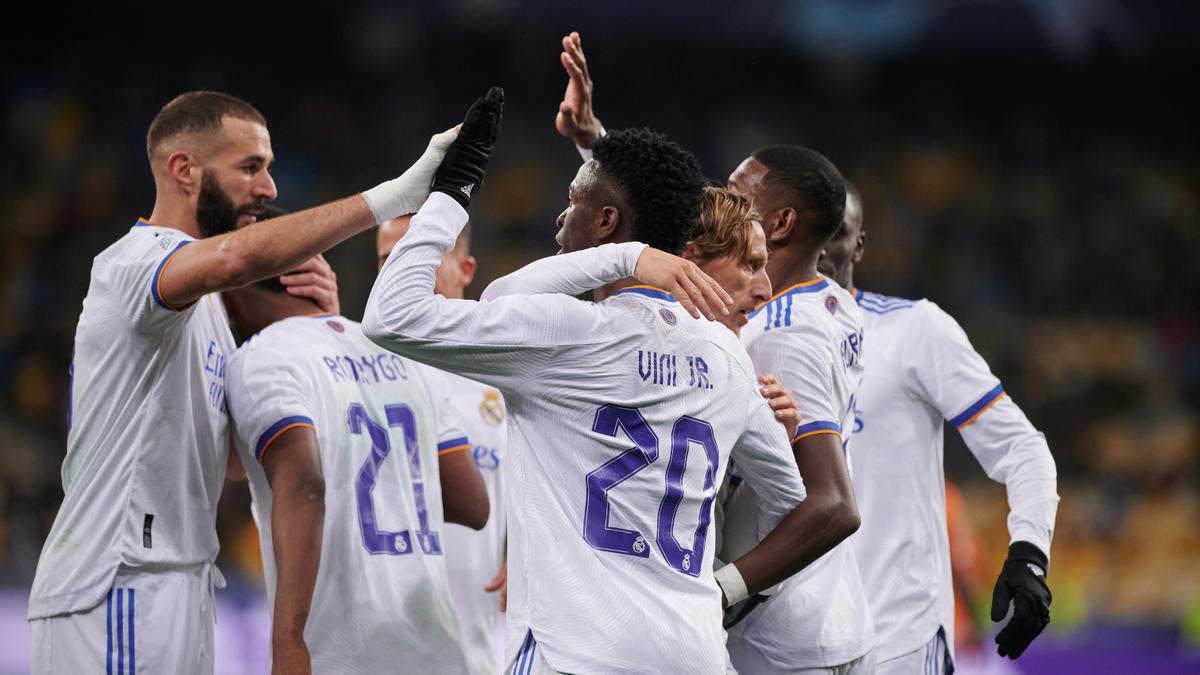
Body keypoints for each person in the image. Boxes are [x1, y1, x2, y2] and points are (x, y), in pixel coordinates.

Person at [365, 88, 856, 674]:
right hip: (695, 653)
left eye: (573, 202)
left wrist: (453, 190)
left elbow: (391, 315)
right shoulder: (728, 357)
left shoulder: (565, 336)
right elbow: (788, 501)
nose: (559, 216)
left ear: (604, 223)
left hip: (578, 653)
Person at [27, 89, 464, 674]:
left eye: (269, 167)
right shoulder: (132, 264)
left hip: (180, 579)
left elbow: (236, 463)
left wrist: (321, 329)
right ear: (184, 170)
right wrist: (394, 197)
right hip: (120, 579)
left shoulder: (207, 311)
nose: (270, 188)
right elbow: (235, 260)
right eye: (250, 167)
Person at [556, 32, 875, 673]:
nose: (715, 197)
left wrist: (720, 591)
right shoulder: (817, 310)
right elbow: (672, 229)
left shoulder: (779, 333)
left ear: (778, 224)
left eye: (737, 187)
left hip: (783, 634)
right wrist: (598, 147)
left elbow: (832, 504)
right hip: (791, 624)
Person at [818, 181, 1059, 672]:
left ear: (859, 245)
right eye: (800, 230)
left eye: (835, 232)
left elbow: (1022, 448)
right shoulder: (735, 338)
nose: (816, 248)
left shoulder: (913, 331)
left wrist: (1030, 551)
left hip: (897, 646)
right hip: (778, 646)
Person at [221, 241, 488, 674]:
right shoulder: (402, 353)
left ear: (230, 294)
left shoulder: (263, 357)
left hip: (343, 655)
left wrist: (288, 637)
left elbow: (302, 485)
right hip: (438, 650)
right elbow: (472, 504)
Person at [377, 215, 510, 675]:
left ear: (466, 270)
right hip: (376, 637)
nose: (401, 272)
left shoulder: (509, 373)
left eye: (422, 258)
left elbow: (553, 475)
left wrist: (528, 553)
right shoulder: (355, 370)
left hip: (476, 639)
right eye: (387, 260)